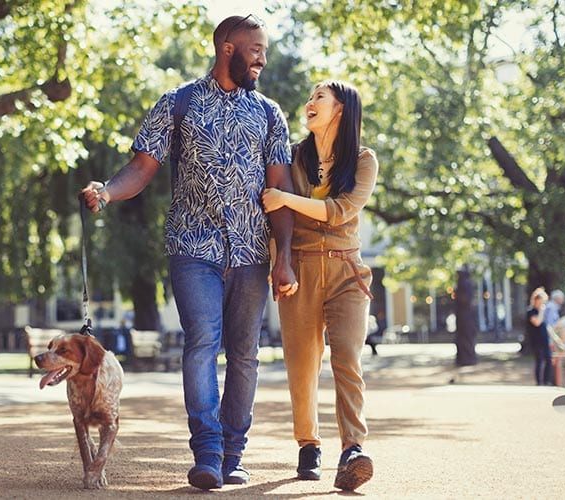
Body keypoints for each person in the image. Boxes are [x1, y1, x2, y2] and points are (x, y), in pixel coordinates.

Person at [81, 14, 298, 490]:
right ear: (227, 48)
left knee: (244, 354)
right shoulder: (177, 104)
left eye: (264, 50)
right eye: (255, 48)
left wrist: (284, 256)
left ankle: (233, 455)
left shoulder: (268, 114)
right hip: (192, 245)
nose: (262, 58)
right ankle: (208, 453)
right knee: (202, 343)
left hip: (250, 250)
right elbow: (141, 168)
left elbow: (279, 190)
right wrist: (108, 193)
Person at [262, 80, 378, 491]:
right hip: (300, 269)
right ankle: (308, 443)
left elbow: (341, 211)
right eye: (309, 96)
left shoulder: (364, 160)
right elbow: (277, 223)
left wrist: (285, 198)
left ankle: (353, 448)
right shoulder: (292, 158)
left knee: (347, 358)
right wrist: (281, 264)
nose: (309, 103)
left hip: (348, 272)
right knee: (302, 363)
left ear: (341, 109)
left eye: (319, 97)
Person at [526, 287, 551, 385]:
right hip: (536, 340)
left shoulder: (542, 313)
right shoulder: (531, 312)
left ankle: (546, 380)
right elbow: (537, 322)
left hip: (544, 339)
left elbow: (546, 326)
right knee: (539, 361)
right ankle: (539, 382)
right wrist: (541, 311)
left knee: (548, 359)